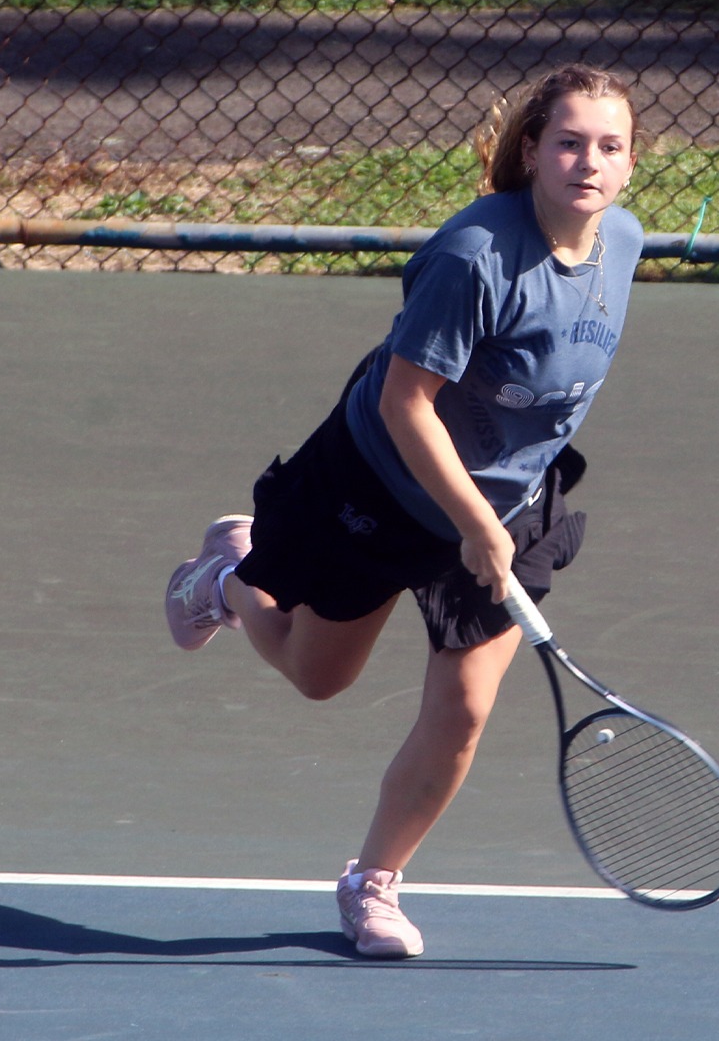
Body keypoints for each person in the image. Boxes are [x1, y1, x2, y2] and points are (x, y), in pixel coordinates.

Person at [165, 64, 644, 959]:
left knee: (463, 709)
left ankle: (373, 882)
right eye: (570, 142)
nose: (589, 162)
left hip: (511, 500)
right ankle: (228, 577)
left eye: (609, 147)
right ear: (534, 150)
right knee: (319, 677)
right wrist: (472, 522)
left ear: (629, 166)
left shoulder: (623, 242)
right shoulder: (473, 258)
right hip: (381, 486)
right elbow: (403, 402)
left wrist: (499, 511)